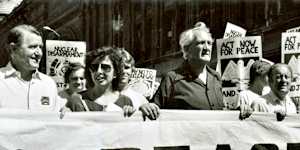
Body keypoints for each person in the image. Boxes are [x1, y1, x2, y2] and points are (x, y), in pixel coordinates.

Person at [150, 21, 224, 110]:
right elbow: (154, 109)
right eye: (201, 43)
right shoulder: (172, 78)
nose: (207, 48)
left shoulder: (216, 77)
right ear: (187, 49)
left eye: (209, 43)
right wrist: (148, 106)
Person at [0, 24, 66, 111]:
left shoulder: (48, 84)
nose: (39, 53)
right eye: (33, 47)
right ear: (13, 49)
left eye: (40, 47)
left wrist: (65, 115)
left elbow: (55, 120)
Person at [66, 47, 135, 116]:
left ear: (115, 73)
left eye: (105, 67)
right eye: (94, 67)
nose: (98, 71)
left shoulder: (125, 101)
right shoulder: (77, 100)